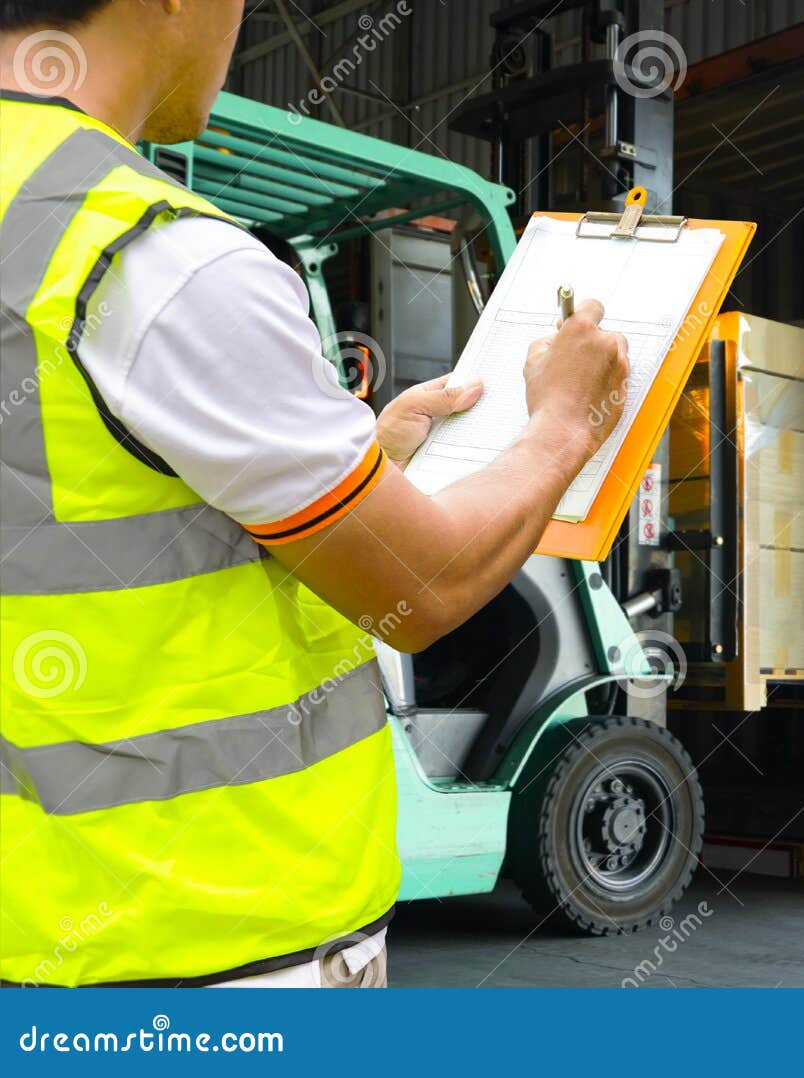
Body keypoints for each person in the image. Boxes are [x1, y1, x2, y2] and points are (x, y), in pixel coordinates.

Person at [0, 0, 628, 987]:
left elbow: (66, 509)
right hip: (205, 950)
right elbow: (424, 585)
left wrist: (360, 459)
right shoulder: (150, 252)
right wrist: (563, 423)